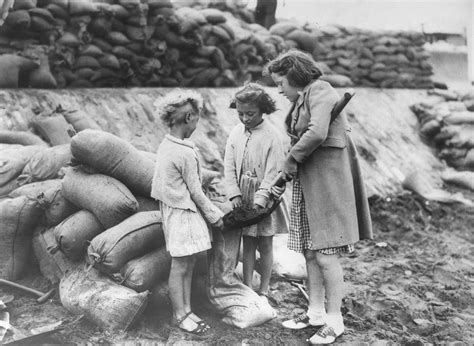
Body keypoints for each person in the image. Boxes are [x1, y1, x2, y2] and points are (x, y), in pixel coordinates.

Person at [263, 49, 373, 344]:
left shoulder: (320, 90)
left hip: (328, 182)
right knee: (310, 252)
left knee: (326, 254)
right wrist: (291, 162)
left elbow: (317, 132)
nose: (279, 89)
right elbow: (303, 135)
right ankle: (315, 313)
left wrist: (291, 159)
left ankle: (335, 321)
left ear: (296, 76)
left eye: (281, 82)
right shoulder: (302, 98)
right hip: (309, 181)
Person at [151, 89, 224, 336]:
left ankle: (187, 310)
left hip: (178, 211)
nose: (197, 123)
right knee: (181, 264)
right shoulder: (182, 152)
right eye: (197, 118)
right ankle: (179, 314)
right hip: (183, 212)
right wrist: (215, 215)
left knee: (188, 261)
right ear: (189, 117)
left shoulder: (168, 145)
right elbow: (196, 190)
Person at [224, 83, 289, 300]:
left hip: (265, 199)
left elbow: (274, 172)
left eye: (250, 114)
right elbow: (229, 165)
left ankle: (264, 288)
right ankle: (248, 286)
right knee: (248, 241)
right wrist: (234, 193)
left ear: (263, 110)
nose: (244, 119)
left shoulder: (272, 136)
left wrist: (261, 200)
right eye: (240, 114)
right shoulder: (235, 134)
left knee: (265, 242)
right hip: (244, 196)